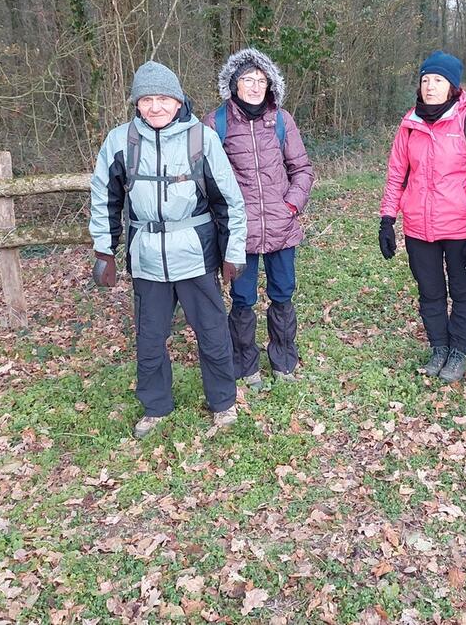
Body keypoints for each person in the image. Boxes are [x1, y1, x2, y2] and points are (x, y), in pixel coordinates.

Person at [89, 60, 248, 438]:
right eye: (146, 100)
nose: (155, 107)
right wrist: (104, 251)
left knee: (212, 333)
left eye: (163, 99)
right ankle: (155, 405)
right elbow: (104, 198)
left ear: (178, 101)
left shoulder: (201, 139)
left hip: (194, 256)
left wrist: (233, 251)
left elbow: (229, 200)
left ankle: (223, 402)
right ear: (136, 104)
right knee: (149, 338)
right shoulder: (120, 141)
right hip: (146, 258)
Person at [379, 50, 466, 382]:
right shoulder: (409, 125)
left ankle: (460, 350)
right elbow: (396, 174)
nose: (430, 86)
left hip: (460, 227)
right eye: (426, 80)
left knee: (462, 291)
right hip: (418, 227)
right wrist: (387, 219)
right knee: (429, 291)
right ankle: (439, 347)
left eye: (438, 80)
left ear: (452, 87)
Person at [204, 48, 315, 387]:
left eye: (261, 80)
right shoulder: (216, 123)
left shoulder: (282, 120)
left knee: (283, 294)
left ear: (270, 85)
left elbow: (302, 169)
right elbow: (205, 178)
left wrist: (291, 206)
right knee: (242, 299)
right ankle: (245, 365)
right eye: (247, 79)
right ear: (234, 84)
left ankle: (283, 362)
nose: (254, 86)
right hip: (240, 232)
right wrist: (224, 219)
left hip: (282, 227)